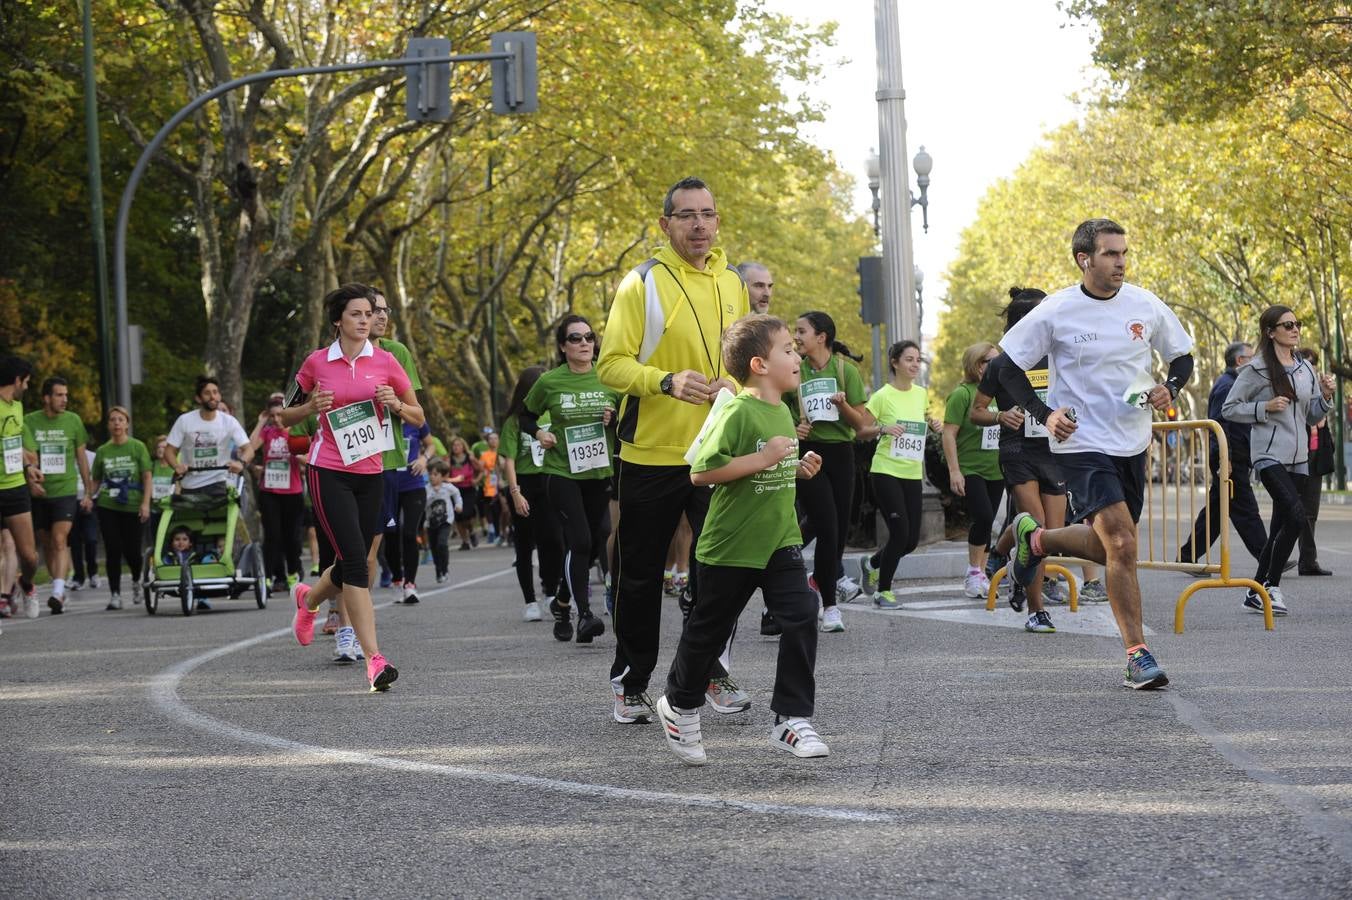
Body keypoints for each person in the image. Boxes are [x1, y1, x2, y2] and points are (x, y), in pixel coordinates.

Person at [993, 218, 1194, 690]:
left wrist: (1170, 387)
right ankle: (1137, 655)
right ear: (1085, 259)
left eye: (1124, 252)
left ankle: (1036, 541)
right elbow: (1007, 369)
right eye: (1110, 253)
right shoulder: (1056, 310)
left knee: (1111, 547)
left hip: (1131, 439)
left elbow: (1182, 357)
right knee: (1122, 544)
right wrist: (1044, 414)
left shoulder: (1144, 303)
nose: (1121, 261)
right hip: (1079, 442)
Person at [596, 176, 751, 724]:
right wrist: (665, 382)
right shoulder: (641, 283)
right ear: (666, 224)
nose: (699, 225)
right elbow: (610, 364)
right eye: (686, 215)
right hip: (651, 455)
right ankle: (631, 682)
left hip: (717, 454)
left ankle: (705, 671)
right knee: (638, 578)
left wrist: (741, 385)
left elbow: (745, 361)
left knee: (723, 571)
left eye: (707, 214)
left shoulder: (733, 282)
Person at [654, 313, 828, 765]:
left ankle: (791, 718)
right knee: (707, 634)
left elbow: (769, 469)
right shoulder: (733, 409)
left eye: (796, 347)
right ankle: (680, 705)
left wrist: (794, 467)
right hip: (730, 546)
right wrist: (765, 456)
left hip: (779, 541)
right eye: (787, 349)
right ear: (759, 365)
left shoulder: (782, 412)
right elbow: (702, 472)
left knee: (803, 613)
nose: (797, 355)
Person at [282, 283, 423, 692]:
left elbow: (418, 415)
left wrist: (395, 404)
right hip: (328, 471)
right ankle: (375, 660)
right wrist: (310, 407)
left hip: (372, 473)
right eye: (357, 314)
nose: (365, 321)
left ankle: (308, 601)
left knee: (350, 563)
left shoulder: (387, 362)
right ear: (338, 321)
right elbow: (285, 418)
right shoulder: (315, 363)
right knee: (358, 563)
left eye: (370, 314)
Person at [970, 288, 1075, 630]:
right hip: (1017, 453)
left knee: (1051, 535)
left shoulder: (1060, 358)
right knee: (1037, 529)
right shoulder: (1001, 365)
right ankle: (1036, 611)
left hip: (1053, 453)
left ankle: (1002, 554)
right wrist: (1000, 417)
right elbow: (977, 411)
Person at [1222, 307, 1334, 615]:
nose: (1295, 329)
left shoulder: (1305, 369)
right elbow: (1230, 408)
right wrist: (1264, 407)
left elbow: (1311, 416)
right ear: (1271, 332)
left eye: (1297, 324)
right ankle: (1271, 586)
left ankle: (1255, 591)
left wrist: (1324, 397)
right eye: (1288, 325)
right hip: (1268, 455)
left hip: (1299, 458)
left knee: (1279, 528)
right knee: (1297, 517)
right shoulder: (1256, 369)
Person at [521, 315, 618, 644]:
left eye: (589, 337)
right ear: (563, 347)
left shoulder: (608, 377)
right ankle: (585, 615)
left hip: (598, 471)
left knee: (598, 535)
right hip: (562, 471)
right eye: (575, 338)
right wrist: (539, 432)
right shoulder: (550, 382)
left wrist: (614, 417)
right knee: (579, 540)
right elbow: (524, 416)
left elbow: (628, 416)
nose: (584, 343)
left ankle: (562, 602)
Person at [787, 311, 869, 633]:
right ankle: (830, 606)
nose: (796, 337)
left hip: (841, 453)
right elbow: (779, 407)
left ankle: (815, 577)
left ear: (821, 337)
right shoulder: (795, 369)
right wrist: (795, 429)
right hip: (810, 453)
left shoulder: (845, 370)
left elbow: (860, 422)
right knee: (827, 523)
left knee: (835, 530)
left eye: (801, 331)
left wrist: (842, 405)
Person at [1176, 341, 1268, 566]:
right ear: (1240, 361)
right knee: (1246, 510)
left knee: (1215, 514)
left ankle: (1187, 556)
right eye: (1252, 358)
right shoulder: (1227, 386)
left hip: (1234, 456)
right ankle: (1269, 558)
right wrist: (1222, 459)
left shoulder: (1235, 384)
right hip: (1230, 458)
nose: (1256, 363)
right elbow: (1218, 425)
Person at [858, 341, 932, 610]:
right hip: (886, 470)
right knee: (900, 534)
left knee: (911, 540)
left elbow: (921, 421)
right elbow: (860, 430)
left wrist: (932, 423)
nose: (914, 364)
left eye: (917, 360)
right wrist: (883, 429)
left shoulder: (921, 393)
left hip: (912, 472)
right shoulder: (882, 396)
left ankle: (872, 564)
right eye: (909, 359)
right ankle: (883, 592)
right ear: (895, 363)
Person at [23, 376, 95, 614]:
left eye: (66, 395)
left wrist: (87, 489)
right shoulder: (29, 421)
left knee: (59, 539)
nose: (65, 399)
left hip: (65, 489)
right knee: (47, 544)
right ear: (46, 398)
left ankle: (56, 592)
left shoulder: (73, 421)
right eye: (59, 395)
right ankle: (60, 588)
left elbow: (81, 458)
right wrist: (31, 480)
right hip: (40, 491)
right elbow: (29, 456)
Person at [501, 365, 566, 622]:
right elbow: (508, 460)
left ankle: (551, 592)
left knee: (553, 540)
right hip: (524, 484)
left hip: (550, 480)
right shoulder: (515, 421)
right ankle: (530, 601)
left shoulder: (553, 414)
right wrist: (516, 493)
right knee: (525, 545)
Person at [943, 342, 1006, 600]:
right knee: (982, 515)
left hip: (996, 468)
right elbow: (948, 433)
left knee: (989, 520)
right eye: (987, 362)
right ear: (974, 365)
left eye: (996, 361)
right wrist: (954, 470)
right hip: (971, 468)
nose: (992, 367)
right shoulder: (963, 394)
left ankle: (981, 574)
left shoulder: (1001, 392)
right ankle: (973, 572)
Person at [90, 406, 153, 609]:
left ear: (127, 424)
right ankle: (115, 594)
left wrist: (145, 503)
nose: (117, 423)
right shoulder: (103, 451)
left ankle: (137, 580)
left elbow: (146, 477)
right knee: (113, 549)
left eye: (120, 419)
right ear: (108, 425)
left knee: (132, 551)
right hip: (108, 504)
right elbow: (96, 480)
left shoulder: (137, 447)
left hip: (132, 504)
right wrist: (87, 497)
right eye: (113, 420)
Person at [247, 399, 305, 594]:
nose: (277, 419)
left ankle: (293, 574)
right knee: (272, 535)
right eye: (272, 416)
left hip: (293, 492)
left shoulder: (295, 432)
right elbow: (250, 447)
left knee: (292, 537)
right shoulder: (267, 432)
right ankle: (269, 577)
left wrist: (297, 454)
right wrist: (260, 422)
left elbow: (309, 455)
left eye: (280, 414)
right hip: (269, 491)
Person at [0, 356, 41, 618]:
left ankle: (26, 584)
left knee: (30, 557)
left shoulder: (16, 407)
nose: (26, 387)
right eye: (25, 382)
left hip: (15, 487)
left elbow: (13, 446)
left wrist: (28, 468)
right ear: (16, 380)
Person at [164, 376, 253, 495]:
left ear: (219, 396)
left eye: (215, 392)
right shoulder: (184, 421)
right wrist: (177, 466)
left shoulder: (229, 421)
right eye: (207, 393)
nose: (213, 396)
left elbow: (249, 449)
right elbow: (169, 451)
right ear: (198, 398)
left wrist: (240, 463)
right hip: (190, 483)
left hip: (219, 481)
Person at [384, 418, 433, 603]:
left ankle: (410, 585)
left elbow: (430, 444)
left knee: (410, 532)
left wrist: (424, 458)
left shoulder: (415, 419)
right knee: (391, 533)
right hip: (388, 485)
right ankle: (397, 580)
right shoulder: (381, 419)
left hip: (414, 483)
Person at [1296, 347, 1334, 576]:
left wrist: (1325, 394)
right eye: (1308, 363)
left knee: (1310, 510)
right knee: (1288, 509)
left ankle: (1308, 561)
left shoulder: (1321, 389)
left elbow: (1321, 418)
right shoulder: (1292, 384)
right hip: (1294, 454)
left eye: (1314, 364)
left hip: (1315, 454)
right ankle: (1270, 556)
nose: (1312, 368)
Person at [424, 460, 463, 584]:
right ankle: (438, 570)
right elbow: (422, 504)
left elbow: (457, 494)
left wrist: (458, 505)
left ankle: (445, 569)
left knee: (442, 544)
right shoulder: (426, 489)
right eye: (430, 474)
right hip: (431, 523)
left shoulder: (447, 487)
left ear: (442, 476)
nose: (432, 477)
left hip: (446, 521)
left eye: (435, 474)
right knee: (434, 548)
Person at [69, 447, 100, 592]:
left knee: (91, 539)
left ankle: (93, 572)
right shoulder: (66, 454)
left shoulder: (92, 457)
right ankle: (78, 577)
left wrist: (90, 497)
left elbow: (98, 478)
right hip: (69, 500)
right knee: (74, 541)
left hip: (89, 499)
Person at [445, 437, 480, 550]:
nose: (456, 447)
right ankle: (465, 542)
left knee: (467, 514)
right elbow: (445, 476)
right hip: (454, 491)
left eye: (458, 445)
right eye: (454, 445)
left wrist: (476, 480)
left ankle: (471, 531)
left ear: (463, 446)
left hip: (469, 489)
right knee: (458, 517)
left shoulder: (470, 458)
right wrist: (452, 479)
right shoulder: (449, 459)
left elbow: (481, 470)